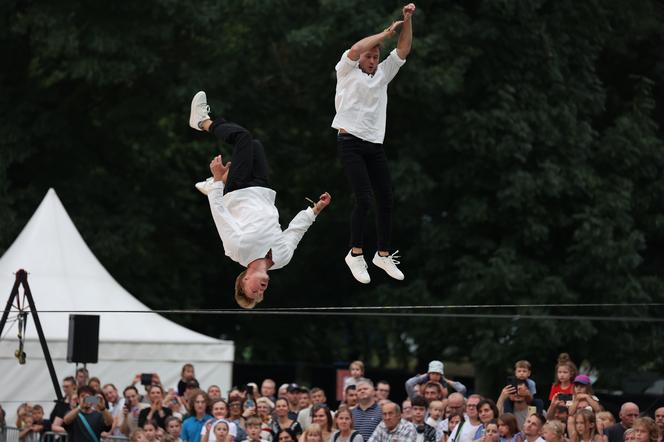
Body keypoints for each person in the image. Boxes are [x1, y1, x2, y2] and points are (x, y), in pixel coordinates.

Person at [189, 91, 332, 308]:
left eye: (252, 290)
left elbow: (220, 215)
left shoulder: (238, 251)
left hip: (237, 191)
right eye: (260, 295)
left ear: (244, 279)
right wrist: (315, 210)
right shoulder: (282, 259)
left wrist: (219, 183)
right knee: (255, 145)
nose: (259, 291)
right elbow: (296, 231)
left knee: (242, 139)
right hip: (263, 190)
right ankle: (219, 178)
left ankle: (202, 122)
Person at [332, 3, 416, 284]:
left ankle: (382, 254)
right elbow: (356, 49)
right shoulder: (346, 71)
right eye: (369, 56)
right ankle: (355, 254)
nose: (371, 60)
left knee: (387, 200)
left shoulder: (382, 74)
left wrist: (407, 20)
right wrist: (384, 33)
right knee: (365, 199)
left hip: (374, 144)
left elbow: (403, 50)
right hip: (350, 142)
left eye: (375, 57)